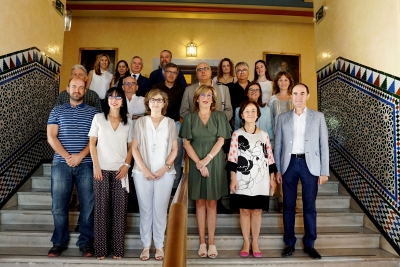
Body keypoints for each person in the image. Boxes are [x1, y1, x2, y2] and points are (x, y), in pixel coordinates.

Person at [275, 83, 329, 260]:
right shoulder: (283, 118)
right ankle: (289, 243)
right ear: (291, 96)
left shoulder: (318, 117)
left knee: (309, 206)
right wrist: (277, 169)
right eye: (295, 93)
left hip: (310, 165)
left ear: (308, 95)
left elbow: (323, 145)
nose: (298, 97)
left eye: (302, 93)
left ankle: (310, 244)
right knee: (288, 206)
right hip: (289, 164)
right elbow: (278, 145)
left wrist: (324, 171)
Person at [47, 77, 98, 257]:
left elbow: (95, 140)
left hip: (86, 164)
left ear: (85, 91)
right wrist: (68, 156)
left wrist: (80, 156)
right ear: (68, 89)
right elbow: (52, 136)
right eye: (74, 86)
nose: (77, 90)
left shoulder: (94, 113)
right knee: (59, 206)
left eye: (81, 87)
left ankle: (86, 243)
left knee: (88, 205)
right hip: (61, 164)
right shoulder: (57, 110)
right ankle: (59, 242)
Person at [180, 85, 231, 259]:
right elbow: (186, 143)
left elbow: (222, 140)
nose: (206, 97)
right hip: (196, 162)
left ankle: (212, 242)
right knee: (199, 203)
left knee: (212, 203)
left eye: (209, 95)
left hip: (214, 161)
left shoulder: (219, 116)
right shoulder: (190, 118)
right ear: (196, 98)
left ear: (213, 99)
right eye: (202, 94)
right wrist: (199, 164)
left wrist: (206, 161)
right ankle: (202, 241)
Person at [131, 89, 178, 261]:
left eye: (159, 100)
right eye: (152, 100)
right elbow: (134, 148)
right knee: (145, 209)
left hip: (165, 173)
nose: (156, 103)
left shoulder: (170, 122)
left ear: (164, 103)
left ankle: (159, 246)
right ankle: (145, 245)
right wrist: (144, 169)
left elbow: (175, 149)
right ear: (148, 103)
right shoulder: (141, 122)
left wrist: (165, 168)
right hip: (141, 172)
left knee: (160, 209)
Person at [227, 100, 276, 258]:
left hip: (261, 179)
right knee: (244, 211)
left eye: (253, 111)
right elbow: (232, 158)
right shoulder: (237, 134)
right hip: (242, 179)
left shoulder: (264, 135)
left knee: (256, 211)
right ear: (242, 115)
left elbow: (270, 158)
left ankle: (255, 242)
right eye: (247, 111)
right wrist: (232, 179)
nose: (250, 113)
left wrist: (272, 178)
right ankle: (246, 242)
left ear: (257, 115)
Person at [88, 87, 132, 260]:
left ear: (123, 101)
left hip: (120, 171)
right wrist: (96, 165)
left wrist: (127, 165)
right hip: (101, 169)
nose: (114, 100)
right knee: (101, 210)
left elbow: (131, 147)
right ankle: (100, 250)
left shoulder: (128, 121)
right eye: (111, 97)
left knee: (120, 211)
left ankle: (118, 250)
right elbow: (92, 144)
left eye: (118, 97)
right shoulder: (98, 118)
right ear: (106, 100)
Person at [152, 63, 185, 190]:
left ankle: (174, 186)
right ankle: (157, 180)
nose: (171, 74)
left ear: (177, 75)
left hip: (176, 124)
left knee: (176, 156)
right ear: (164, 73)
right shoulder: (156, 88)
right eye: (169, 72)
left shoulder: (181, 90)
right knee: (158, 154)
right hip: (159, 123)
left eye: (174, 73)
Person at [269, 71, 294, 212]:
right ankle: (281, 200)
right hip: (278, 139)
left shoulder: (294, 98)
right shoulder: (272, 100)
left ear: (290, 82)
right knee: (280, 169)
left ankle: (291, 201)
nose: (283, 82)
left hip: (293, 140)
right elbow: (271, 120)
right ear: (277, 82)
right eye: (280, 80)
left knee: (291, 170)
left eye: (286, 80)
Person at [234, 82, 274, 148]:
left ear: (260, 93)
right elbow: (237, 127)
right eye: (251, 90)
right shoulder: (238, 110)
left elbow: (269, 128)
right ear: (247, 93)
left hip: (262, 143)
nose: (254, 92)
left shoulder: (266, 109)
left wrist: (271, 144)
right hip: (245, 145)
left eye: (256, 90)